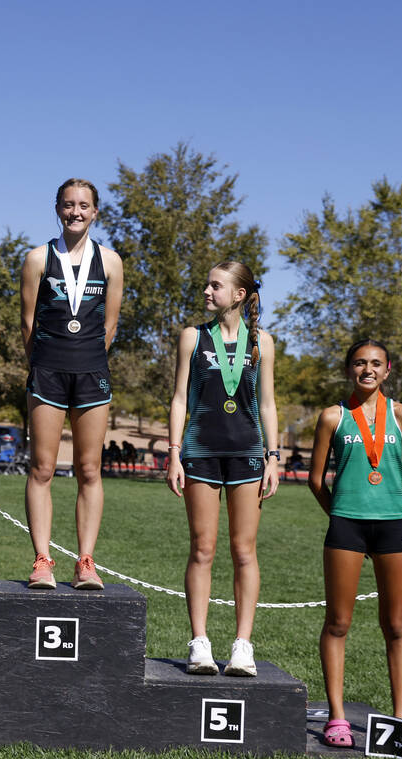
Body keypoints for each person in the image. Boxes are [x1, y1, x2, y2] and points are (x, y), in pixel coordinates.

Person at [308, 339, 402, 749]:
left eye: (376, 363)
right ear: (348, 370)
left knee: (395, 625)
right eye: (359, 363)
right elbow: (316, 480)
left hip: (394, 527)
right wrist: (343, 514)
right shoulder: (332, 417)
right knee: (338, 622)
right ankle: (337, 718)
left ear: (388, 370)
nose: (368, 370)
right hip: (346, 528)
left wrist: (389, 508)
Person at [166, 261, 278, 677]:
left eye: (216, 285)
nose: (208, 291)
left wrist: (273, 456)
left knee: (244, 551)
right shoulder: (192, 337)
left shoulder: (262, 342)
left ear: (239, 294)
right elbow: (180, 398)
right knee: (202, 549)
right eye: (207, 283)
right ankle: (200, 643)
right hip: (200, 452)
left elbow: (267, 404)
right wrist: (174, 452)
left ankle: (243, 646)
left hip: (248, 454)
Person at [20, 178, 124, 589]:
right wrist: (44, 361)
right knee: (42, 467)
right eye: (68, 205)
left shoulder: (111, 262)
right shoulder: (36, 259)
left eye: (83, 205)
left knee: (89, 468)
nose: (75, 212)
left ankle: (85, 561)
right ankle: (42, 560)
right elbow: (28, 322)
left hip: (92, 372)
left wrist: (87, 357)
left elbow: (110, 324)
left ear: (95, 212)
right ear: (57, 209)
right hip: (47, 370)